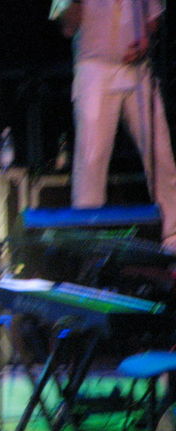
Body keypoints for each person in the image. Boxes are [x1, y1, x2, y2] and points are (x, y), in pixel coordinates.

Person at [50, 0, 176, 249]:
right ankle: (88, 243)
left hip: (138, 69)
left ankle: (173, 236)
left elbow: (153, 17)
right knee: (91, 160)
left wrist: (146, 40)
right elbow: (68, 27)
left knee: (160, 153)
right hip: (94, 69)